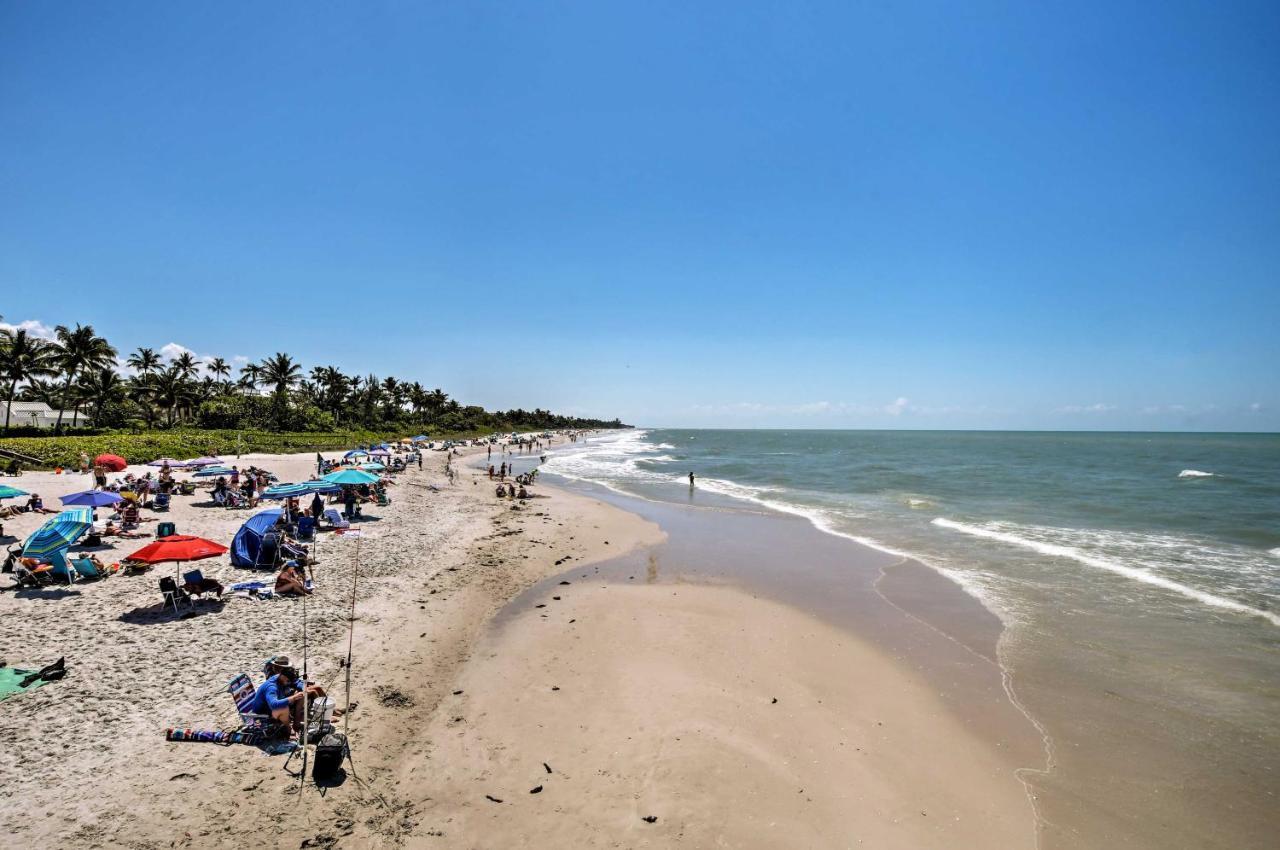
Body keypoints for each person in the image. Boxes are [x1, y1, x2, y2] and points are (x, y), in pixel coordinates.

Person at [250, 655, 328, 736]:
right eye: (287, 682)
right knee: (285, 707)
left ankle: (297, 723)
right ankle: (289, 729)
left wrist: (303, 689)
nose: (288, 684)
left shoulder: (281, 676)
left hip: (273, 703)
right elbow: (274, 704)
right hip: (263, 713)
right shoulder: (271, 687)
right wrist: (293, 697)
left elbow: (296, 682)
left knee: (303, 694)